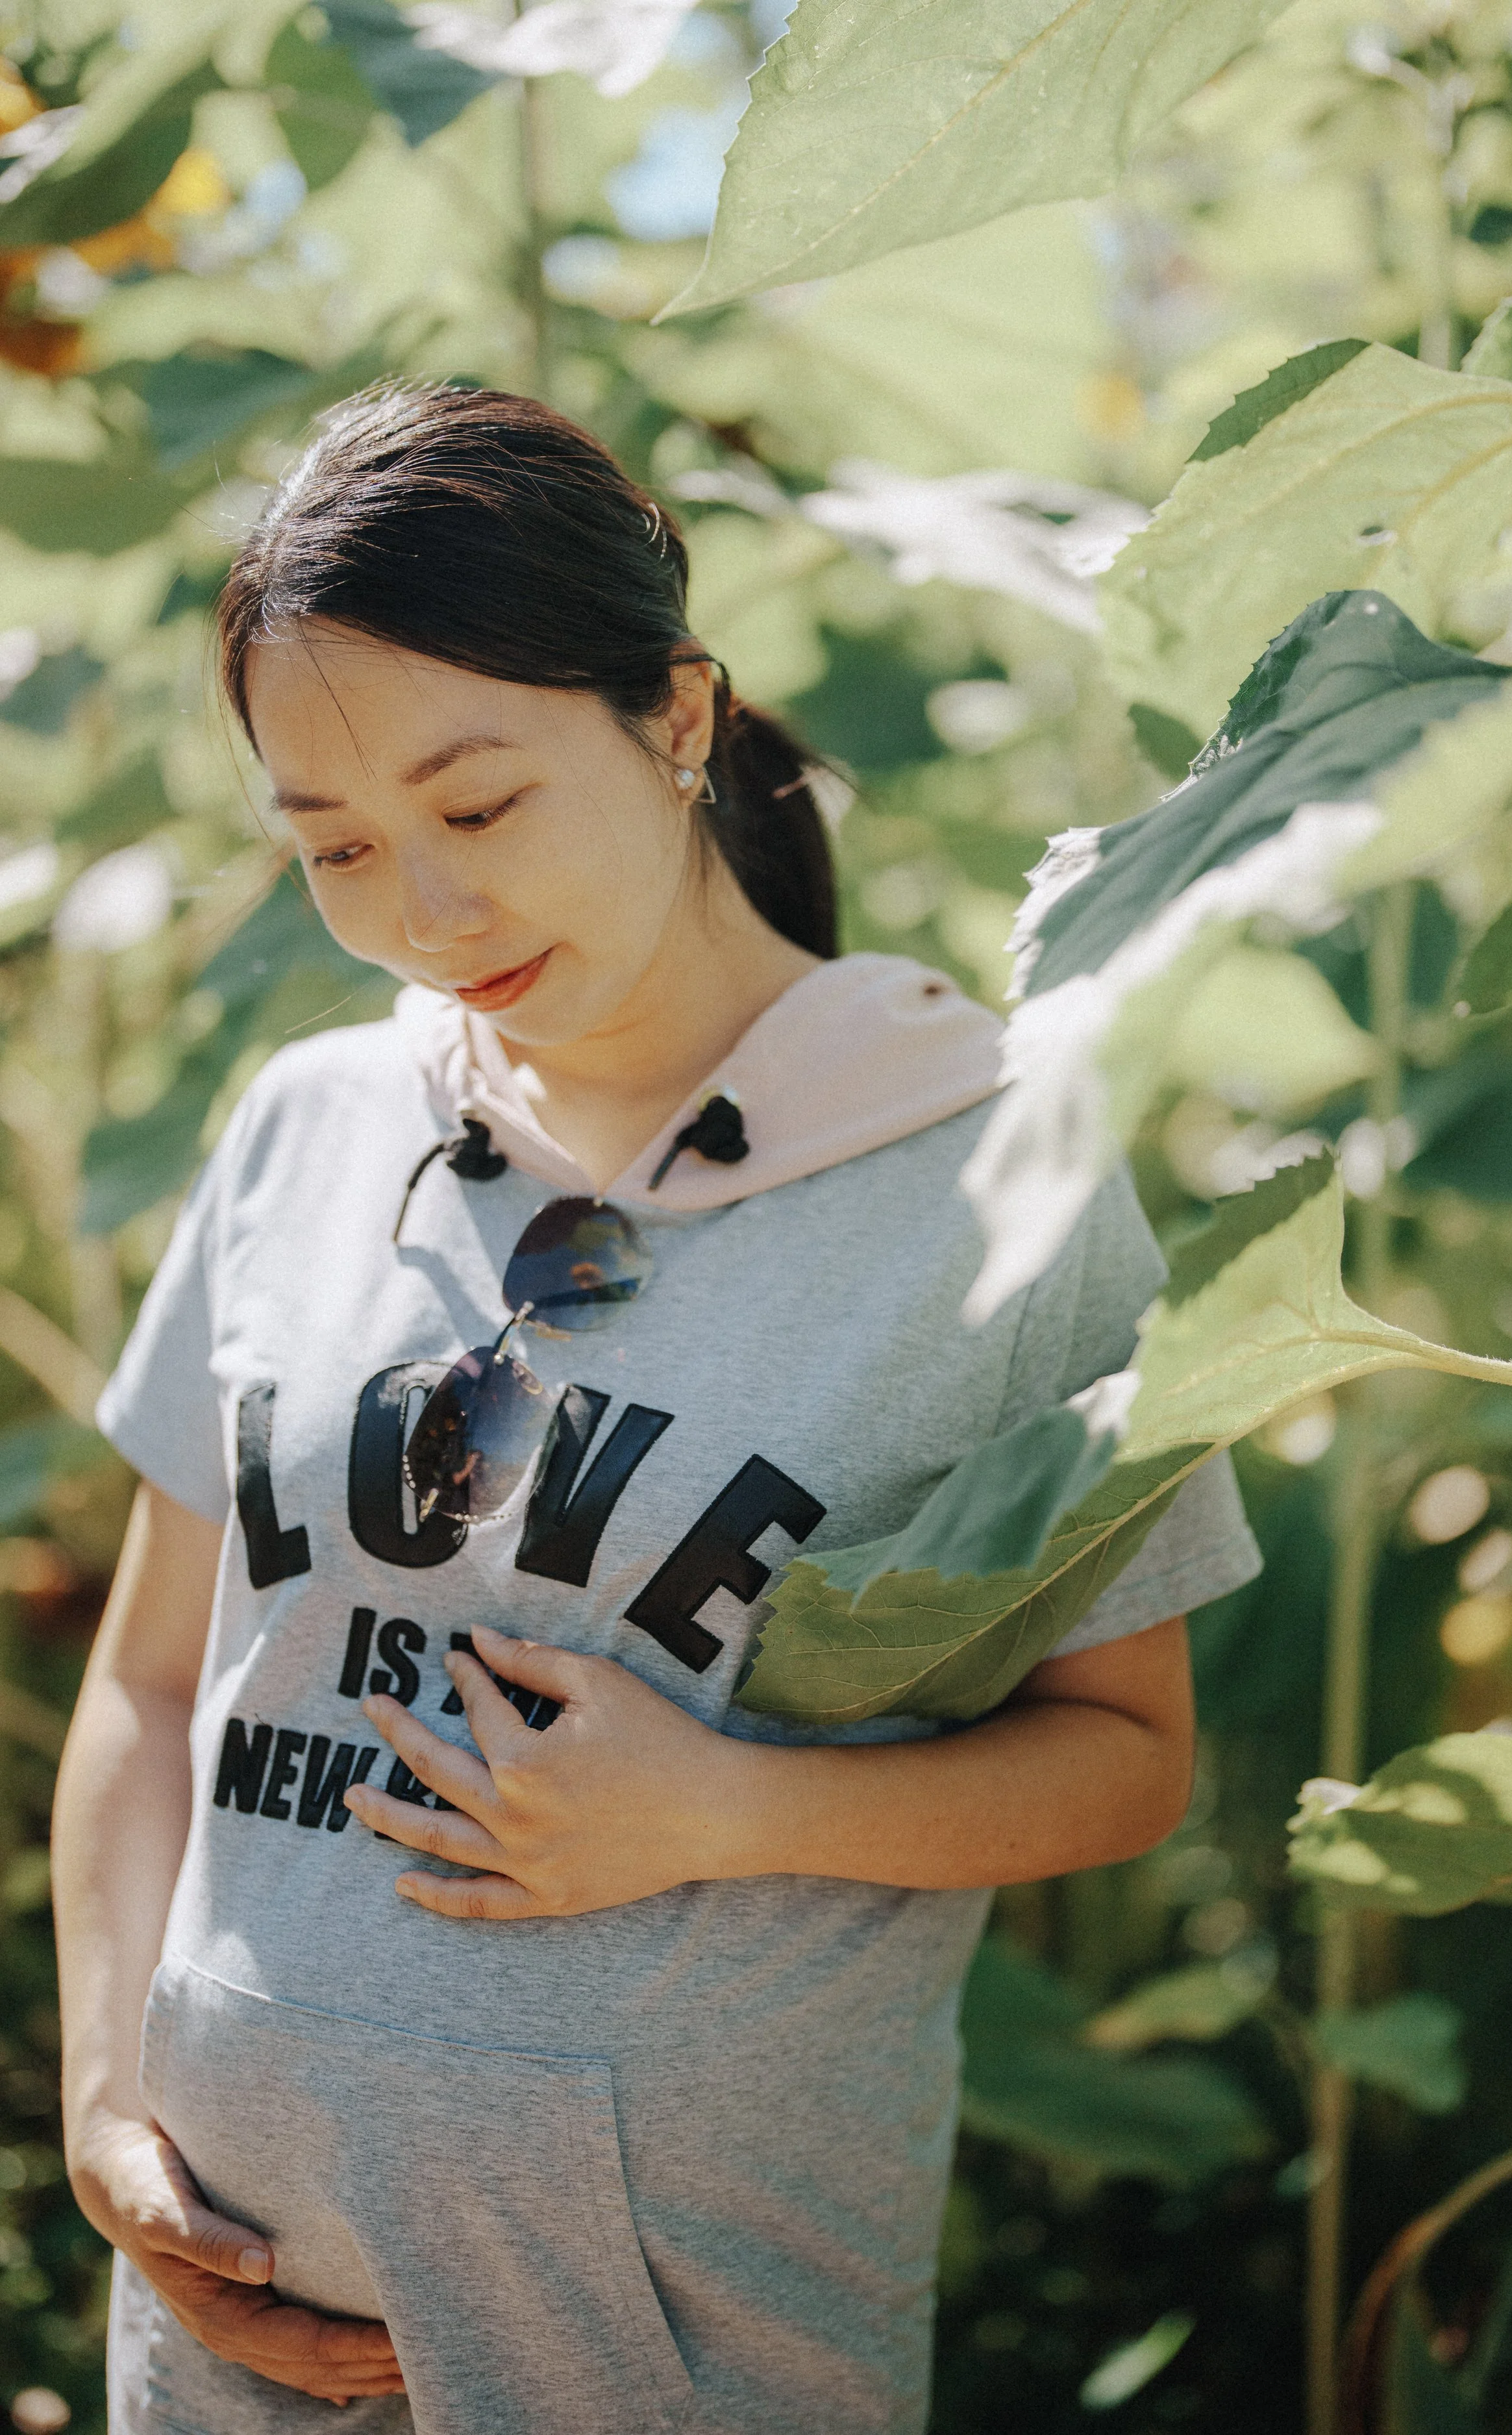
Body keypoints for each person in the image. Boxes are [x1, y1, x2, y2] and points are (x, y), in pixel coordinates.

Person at [51, 384, 1261, 2435]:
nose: (421, 914)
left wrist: (726, 1805)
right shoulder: (304, 1128)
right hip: (223, 2308)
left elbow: (1126, 1763)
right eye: (333, 844)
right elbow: (156, 1685)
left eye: (479, 804)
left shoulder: (998, 1183)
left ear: (675, 716)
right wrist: (109, 2101)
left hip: (680, 2329)